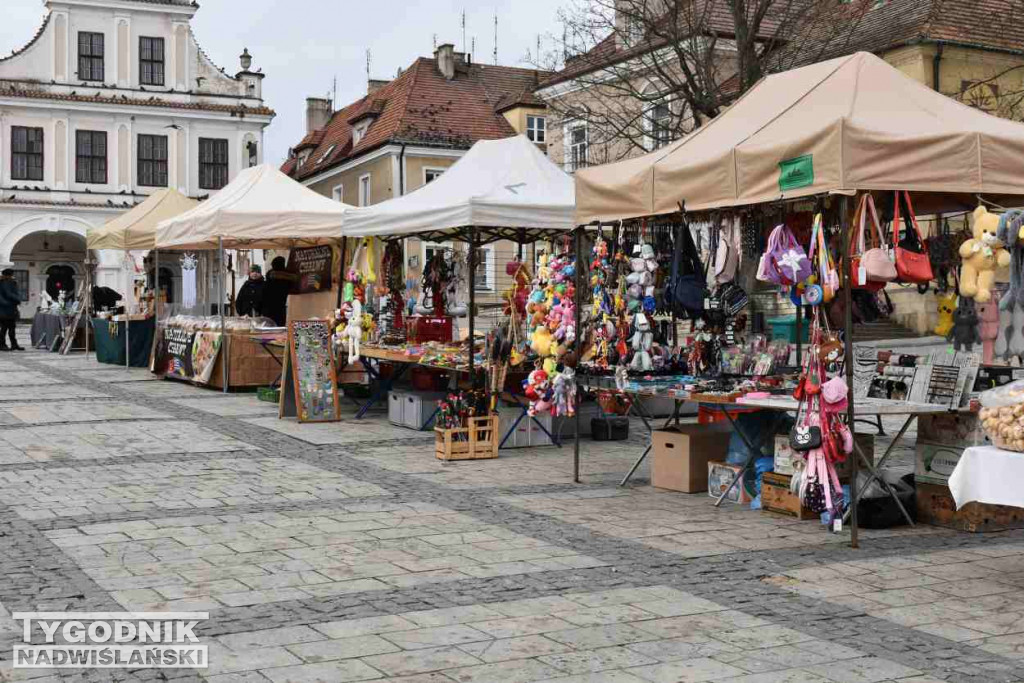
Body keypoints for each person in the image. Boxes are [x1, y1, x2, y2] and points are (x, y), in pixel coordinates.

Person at [262, 257, 297, 326]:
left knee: (270, 328)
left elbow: (264, 294)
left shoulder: (269, 276)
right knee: (281, 327)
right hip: (283, 306)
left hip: (269, 307)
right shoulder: (290, 276)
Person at [0, 269, 24, 351]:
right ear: (6, 275)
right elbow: (7, 294)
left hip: (11, 308)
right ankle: (2, 344)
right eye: (10, 275)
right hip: (4, 309)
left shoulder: (11, 282)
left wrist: (16, 299)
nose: (12, 276)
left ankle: (14, 344)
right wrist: (16, 300)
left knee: (12, 328)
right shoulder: (3, 283)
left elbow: (14, 293)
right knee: (4, 328)